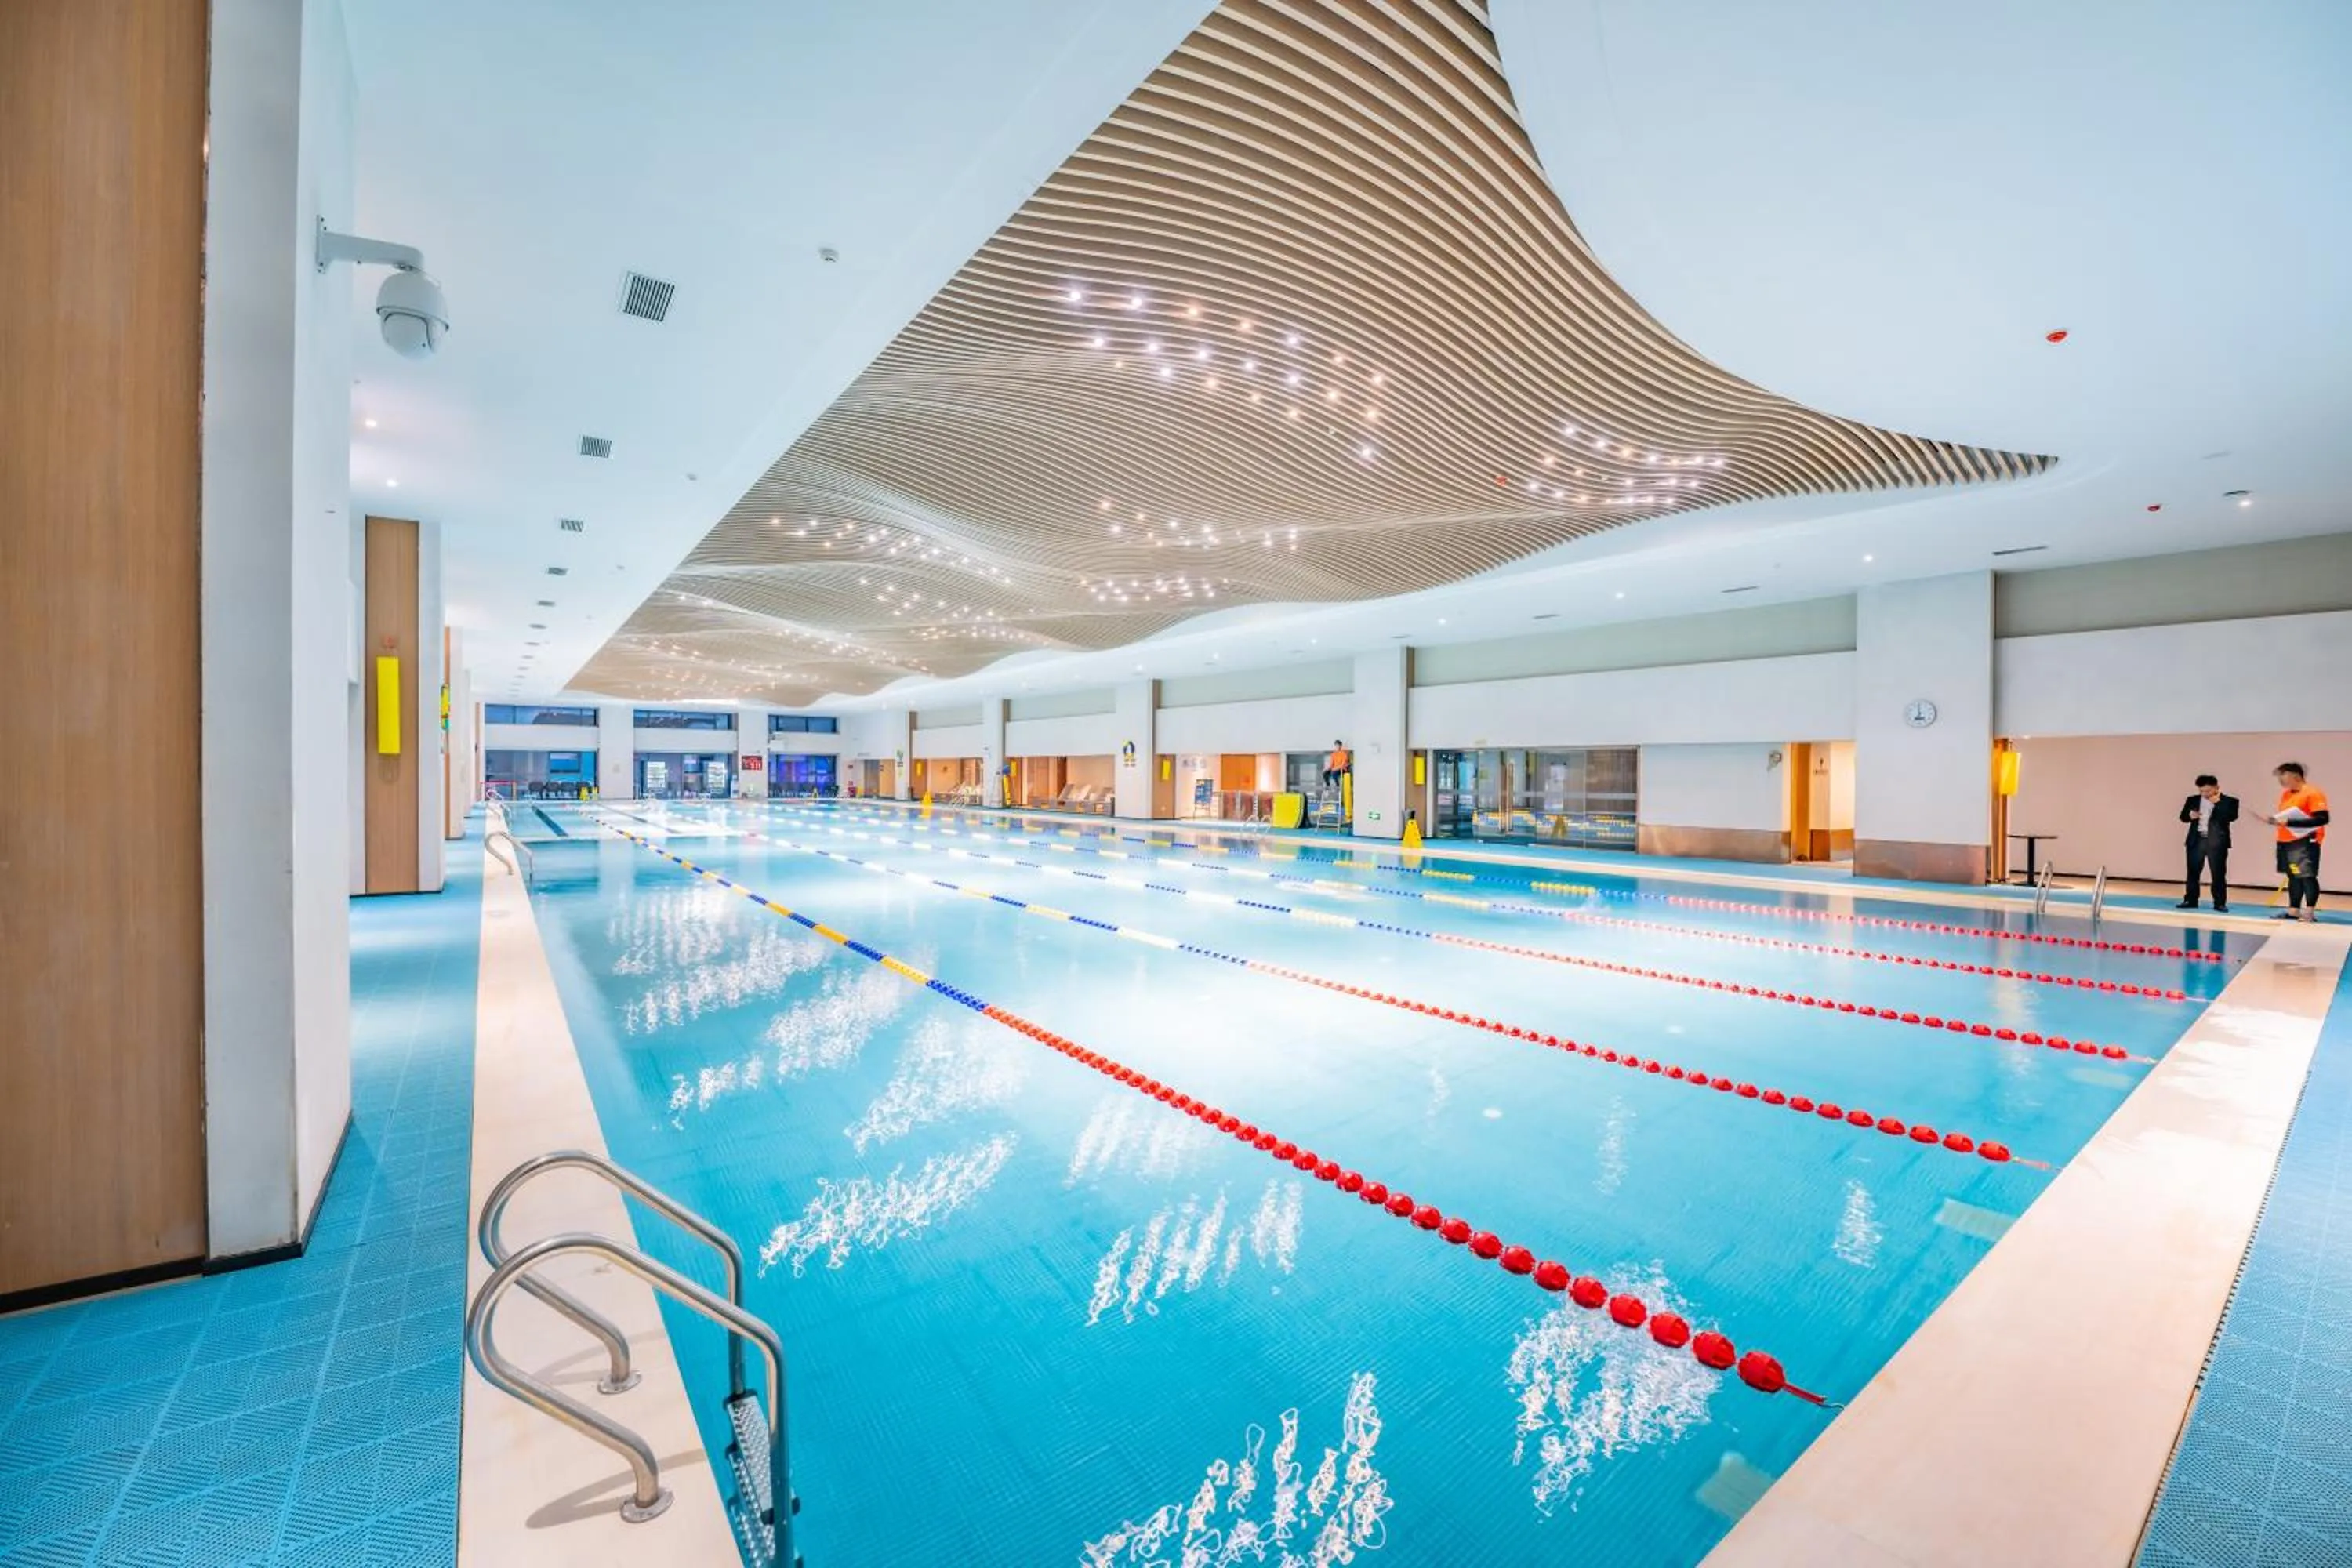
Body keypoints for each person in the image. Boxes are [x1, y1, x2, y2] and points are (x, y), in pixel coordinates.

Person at [2249, 762, 2329, 921]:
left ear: (2296, 776)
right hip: (2287, 841)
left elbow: (2322, 819)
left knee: (2307, 876)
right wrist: (2273, 820)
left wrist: (2290, 823)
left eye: (2283, 777)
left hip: (2305, 841)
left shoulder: (2313, 793)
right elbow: (2286, 818)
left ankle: (2309, 912)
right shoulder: (2287, 794)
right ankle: (2294, 910)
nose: (2281, 781)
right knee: (2293, 876)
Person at [2176, 775, 2238, 911]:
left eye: (2208, 791)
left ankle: (2219, 903)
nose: (2204, 794)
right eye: (2201, 791)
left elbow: (2232, 817)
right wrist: (2190, 815)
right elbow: (2183, 817)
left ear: (2216, 788)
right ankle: (2190, 900)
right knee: (2193, 872)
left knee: (2218, 874)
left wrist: (2218, 803)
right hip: (2196, 840)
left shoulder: (2230, 801)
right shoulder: (2192, 800)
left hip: (2217, 842)